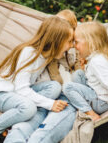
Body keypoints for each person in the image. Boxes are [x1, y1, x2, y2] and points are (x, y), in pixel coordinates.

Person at [0, 16, 73, 143]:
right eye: (69, 41)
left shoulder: (46, 56)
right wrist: (50, 104)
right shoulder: (29, 53)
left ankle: (21, 119)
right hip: (0, 93)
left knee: (54, 86)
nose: (71, 46)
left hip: (16, 93)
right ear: (57, 41)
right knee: (28, 108)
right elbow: (21, 89)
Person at [26, 9, 79, 143]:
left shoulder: (70, 51)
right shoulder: (37, 54)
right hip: (41, 94)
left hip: (59, 91)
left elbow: (74, 63)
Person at [63, 21, 108, 121]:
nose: (74, 45)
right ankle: (80, 101)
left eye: (77, 42)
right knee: (78, 74)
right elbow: (94, 78)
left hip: (101, 103)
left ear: (90, 42)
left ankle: (90, 113)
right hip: (97, 95)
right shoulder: (96, 57)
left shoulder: (97, 61)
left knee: (68, 88)